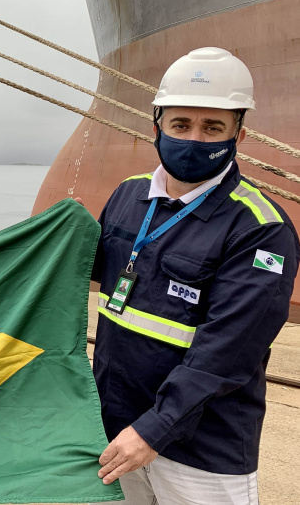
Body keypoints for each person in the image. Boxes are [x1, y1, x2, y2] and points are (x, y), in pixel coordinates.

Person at [90, 47, 300, 503]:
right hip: (115, 429)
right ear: (156, 127)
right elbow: (62, 272)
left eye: (213, 128)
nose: (194, 139)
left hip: (201, 450)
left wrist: (152, 430)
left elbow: (228, 350)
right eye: (181, 125)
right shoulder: (128, 197)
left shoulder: (261, 228)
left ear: (238, 136)